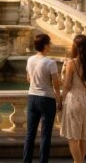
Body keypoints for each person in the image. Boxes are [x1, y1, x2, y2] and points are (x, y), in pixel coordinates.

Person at [23, 33, 61, 163]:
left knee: (30, 134)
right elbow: (56, 84)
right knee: (45, 135)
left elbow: (28, 78)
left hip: (32, 97)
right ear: (45, 45)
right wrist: (59, 100)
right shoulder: (50, 62)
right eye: (49, 43)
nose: (50, 45)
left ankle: (26, 161)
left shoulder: (30, 60)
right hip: (46, 99)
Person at [60, 35, 86, 163]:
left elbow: (66, 85)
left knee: (72, 138)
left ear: (75, 47)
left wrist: (60, 101)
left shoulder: (71, 63)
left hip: (74, 100)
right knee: (83, 138)